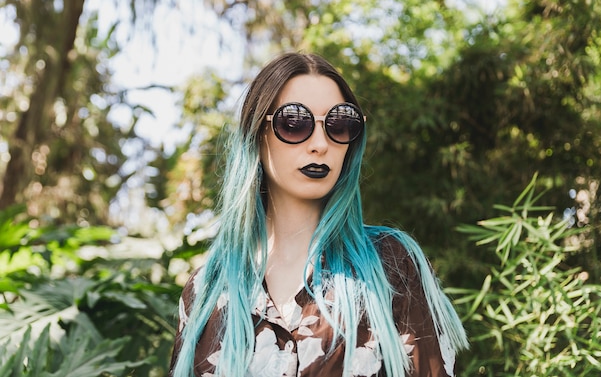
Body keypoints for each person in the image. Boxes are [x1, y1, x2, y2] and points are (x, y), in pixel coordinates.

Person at [169, 52, 468, 377]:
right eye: (294, 122)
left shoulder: (390, 265)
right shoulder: (206, 291)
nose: (320, 144)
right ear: (257, 135)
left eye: (340, 123)